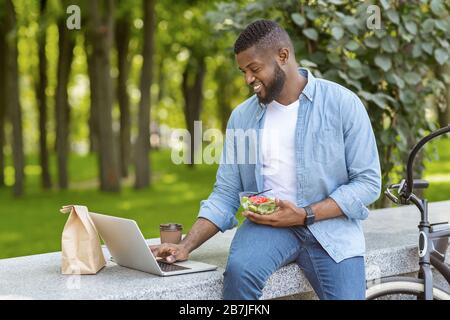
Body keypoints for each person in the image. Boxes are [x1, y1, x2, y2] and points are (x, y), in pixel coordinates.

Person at [151, 19, 381, 300]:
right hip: (267, 227)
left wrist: (305, 214)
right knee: (238, 274)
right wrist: (185, 245)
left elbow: (368, 183)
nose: (248, 79)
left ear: (282, 56)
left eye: (254, 68)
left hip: (331, 229)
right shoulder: (242, 118)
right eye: (243, 71)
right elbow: (226, 193)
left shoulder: (342, 104)